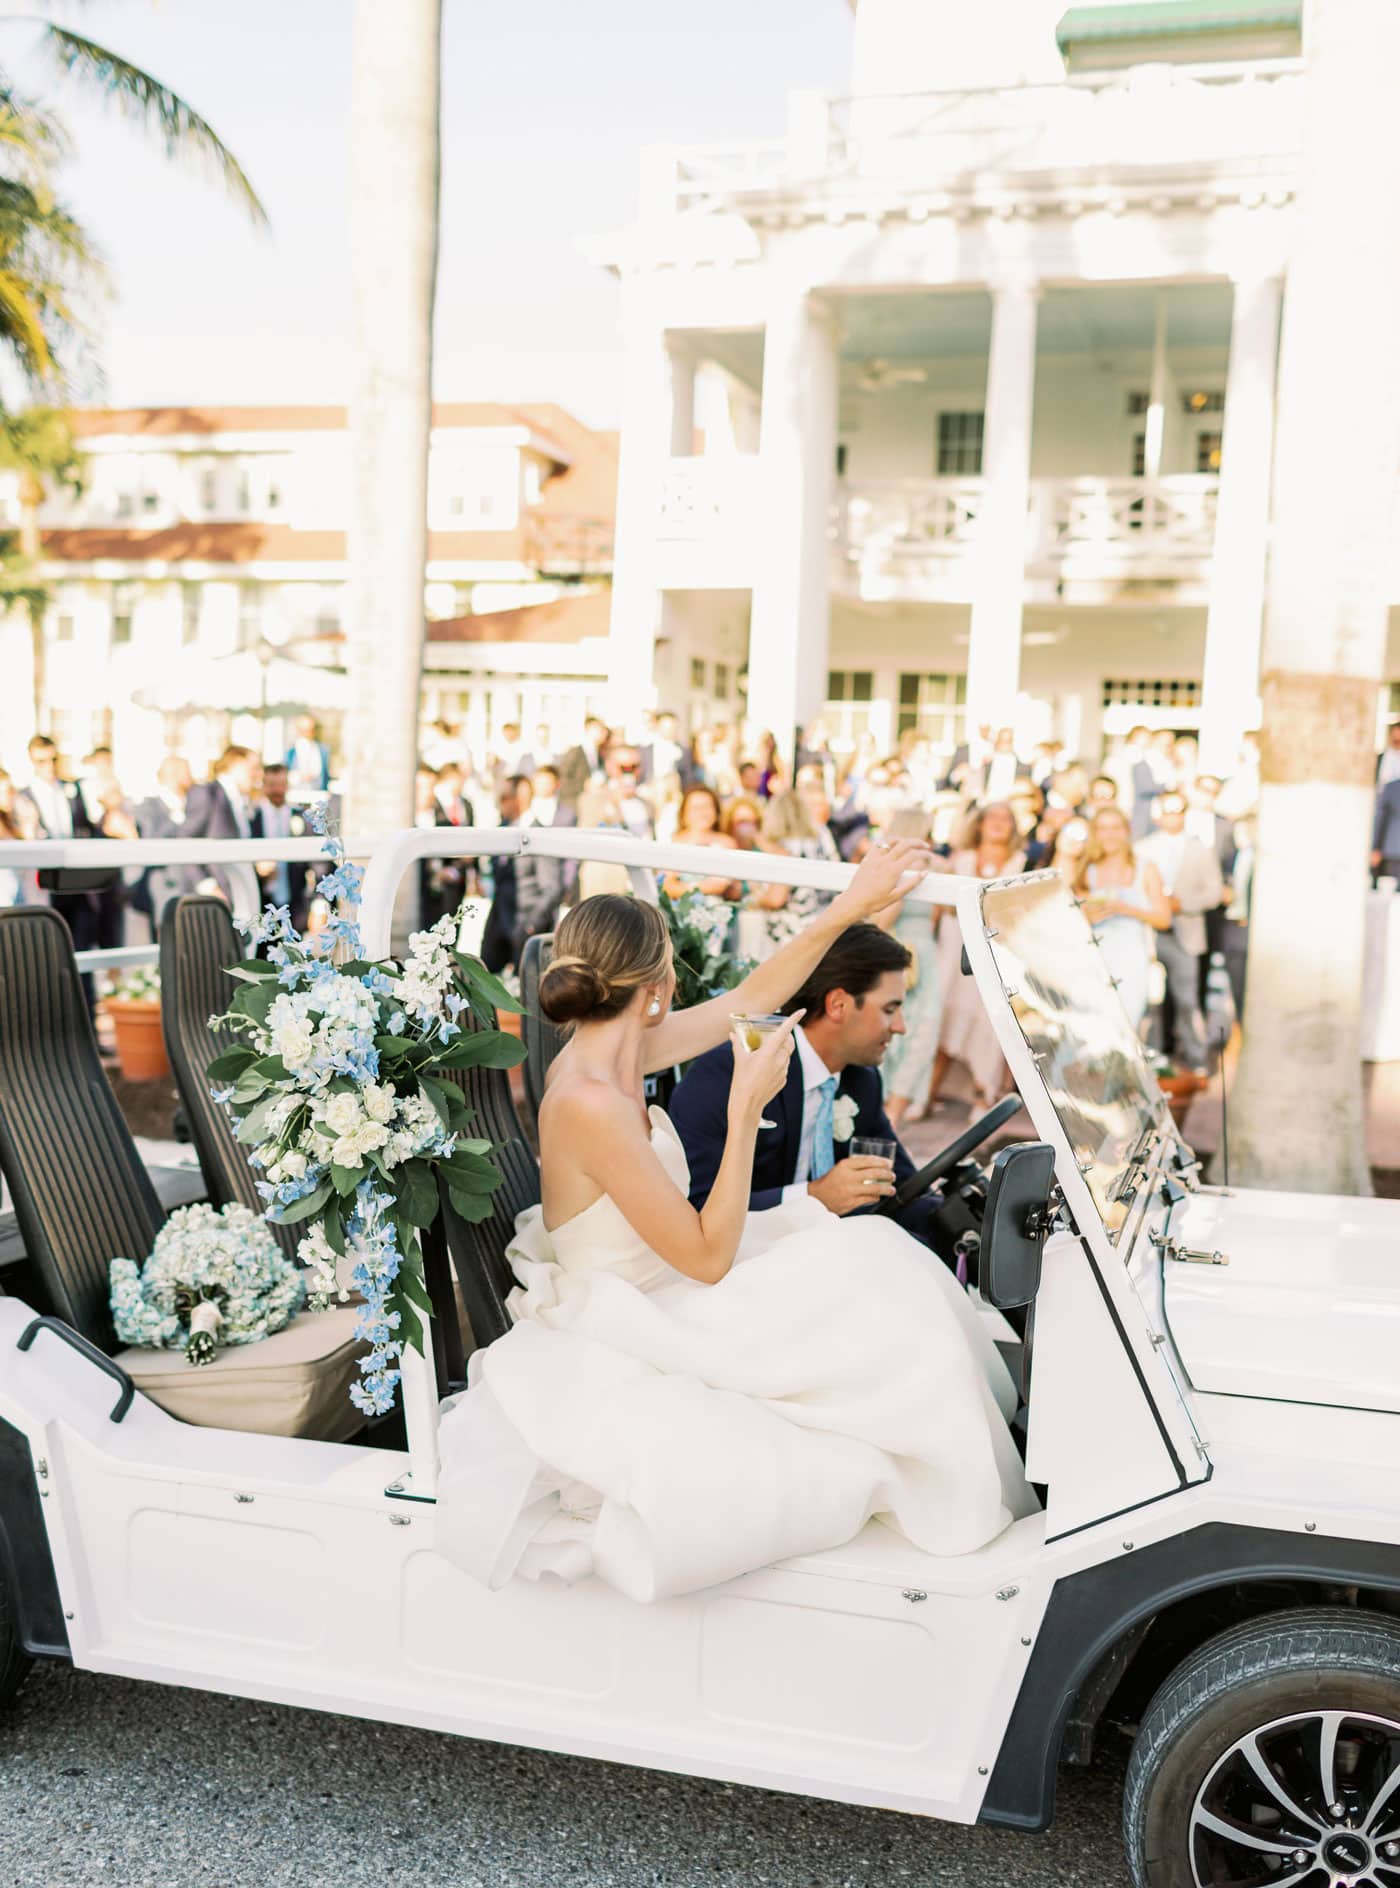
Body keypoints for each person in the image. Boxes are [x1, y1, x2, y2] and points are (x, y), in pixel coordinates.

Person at [433, 846, 1034, 1603]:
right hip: (650, 1306)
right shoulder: (588, 1100)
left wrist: (853, 904)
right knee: (880, 1306)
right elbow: (708, 1258)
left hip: (671, 1275)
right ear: (655, 986)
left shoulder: (629, 1048)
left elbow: (754, 993)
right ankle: (956, 1484)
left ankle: (978, 1444)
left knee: (874, 1251)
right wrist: (745, 1108)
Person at [927, 803, 1026, 1113]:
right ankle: (926, 1094)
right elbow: (940, 908)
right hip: (954, 951)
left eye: (1005, 818)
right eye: (991, 817)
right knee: (946, 1019)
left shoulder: (1023, 862)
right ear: (980, 824)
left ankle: (984, 1093)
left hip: (996, 953)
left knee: (989, 1021)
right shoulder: (961, 860)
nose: (998, 824)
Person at [1137, 791, 1224, 1073]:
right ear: (1158, 815)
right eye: (1167, 811)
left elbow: (1214, 892)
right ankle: (1152, 1054)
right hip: (1150, 934)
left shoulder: (1200, 848)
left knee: (1187, 1000)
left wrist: (1182, 904)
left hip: (1186, 934)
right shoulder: (1143, 848)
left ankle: (1196, 1058)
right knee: (1150, 1001)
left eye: (1178, 811)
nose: (1173, 816)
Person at [1075, 806, 1173, 1034]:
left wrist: (1126, 908)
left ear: (1126, 831)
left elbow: (1163, 918)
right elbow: (1071, 919)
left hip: (1132, 960)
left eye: (1115, 828)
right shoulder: (1085, 871)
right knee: (1093, 1029)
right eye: (1102, 828)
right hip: (1094, 960)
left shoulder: (1146, 869)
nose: (1109, 835)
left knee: (1126, 1027)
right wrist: (1087, 917)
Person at [183, 745, 262, 922]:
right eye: (254, 768)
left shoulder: (243, 802)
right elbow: (185, 841)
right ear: (236, 764)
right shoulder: (206, 794)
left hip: (239, 899)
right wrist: (207, 886)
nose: (259, 775)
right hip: (211, 902)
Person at [132, 756, 199, 931]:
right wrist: (176, 817)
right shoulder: (147, 806)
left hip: (192, 885)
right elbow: (151, 839)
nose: (192, 777)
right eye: (187, 772)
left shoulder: (195, 804)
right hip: (164, 884)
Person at [252, 762, 310, 932]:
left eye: (282, 785)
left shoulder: (301, 817)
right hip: (262, 904)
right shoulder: (253, 818)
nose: (278, 790)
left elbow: (317, 862)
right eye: (272, 785)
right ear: (263, 786)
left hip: (295, 905)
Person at [556, 715, 610, 808]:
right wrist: (583, 786)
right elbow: (563, 777)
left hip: (591, 804)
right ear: (589, 730)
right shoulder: (575, 752)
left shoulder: (600, 755)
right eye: (600, 729)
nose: (604, 733)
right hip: (573, 804)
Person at [286, 714, 331, 793]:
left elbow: (325, 775)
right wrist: (300, 776)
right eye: (304, 730)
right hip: (296, 796)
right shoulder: (290, 752)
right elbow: (285, 774)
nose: (308, 733)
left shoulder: (323, 750)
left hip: (319, 795)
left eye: (311, 730)